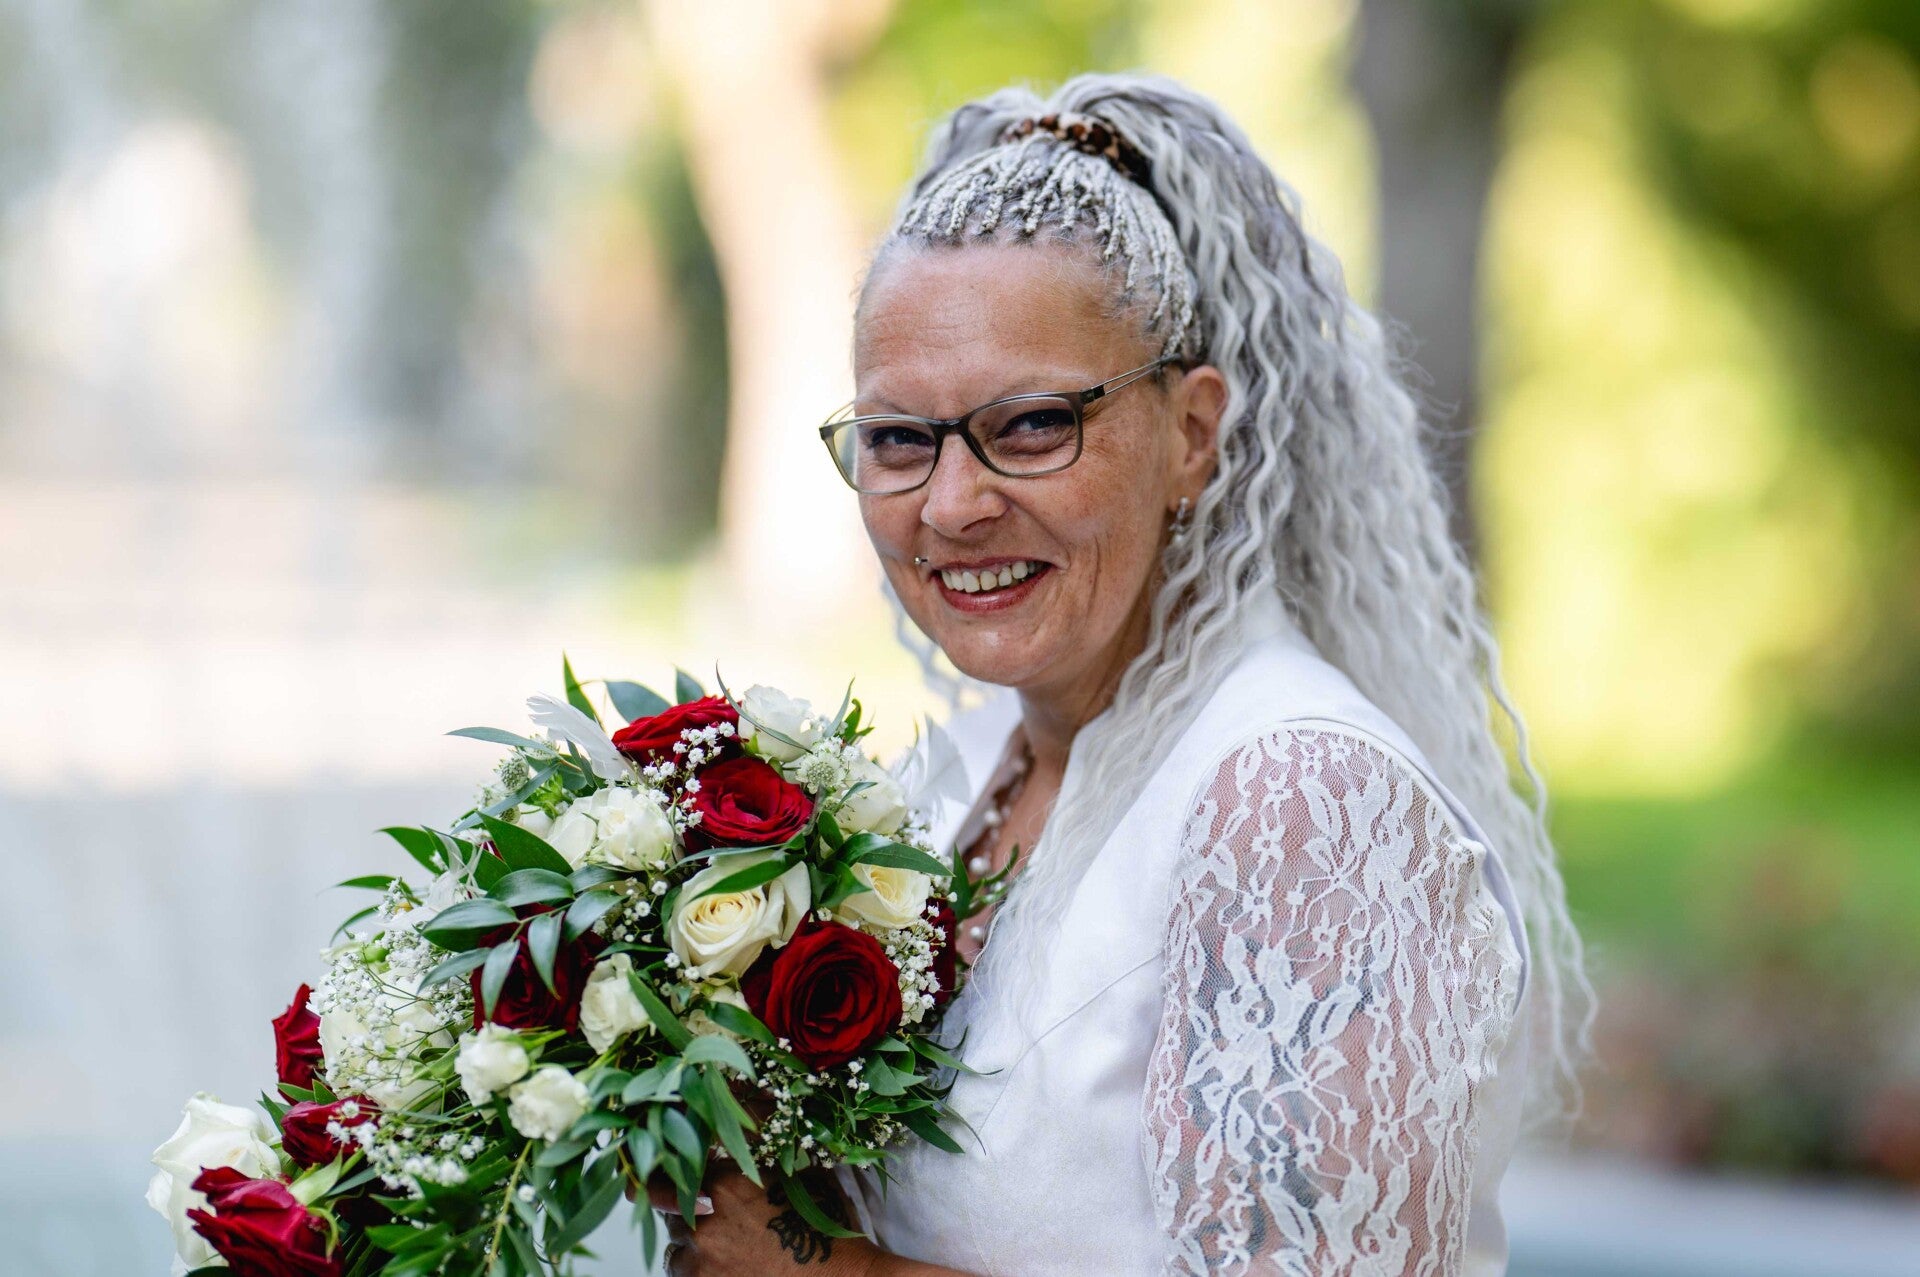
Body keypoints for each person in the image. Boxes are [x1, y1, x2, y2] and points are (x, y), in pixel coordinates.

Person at [655, 71, 1590, 1276]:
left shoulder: (1303, 801)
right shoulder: (961, 772)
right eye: (897, 438)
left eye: (1032, 424)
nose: (953, 503)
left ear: (1193, 432)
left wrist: (829, 1271)